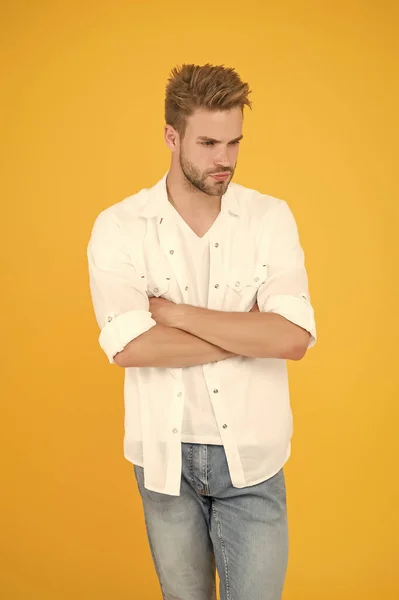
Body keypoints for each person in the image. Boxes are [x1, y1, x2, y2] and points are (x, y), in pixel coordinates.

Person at [87, 63, 317, 600]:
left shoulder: (269, 219)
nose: (225, 160)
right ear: (172, 136)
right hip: (164, 463)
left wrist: (177, 314)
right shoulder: (120, 227)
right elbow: (130, 346)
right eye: (210, 142)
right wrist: (246, 332)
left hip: (253, 462)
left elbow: (292, 339)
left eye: (235, 142)